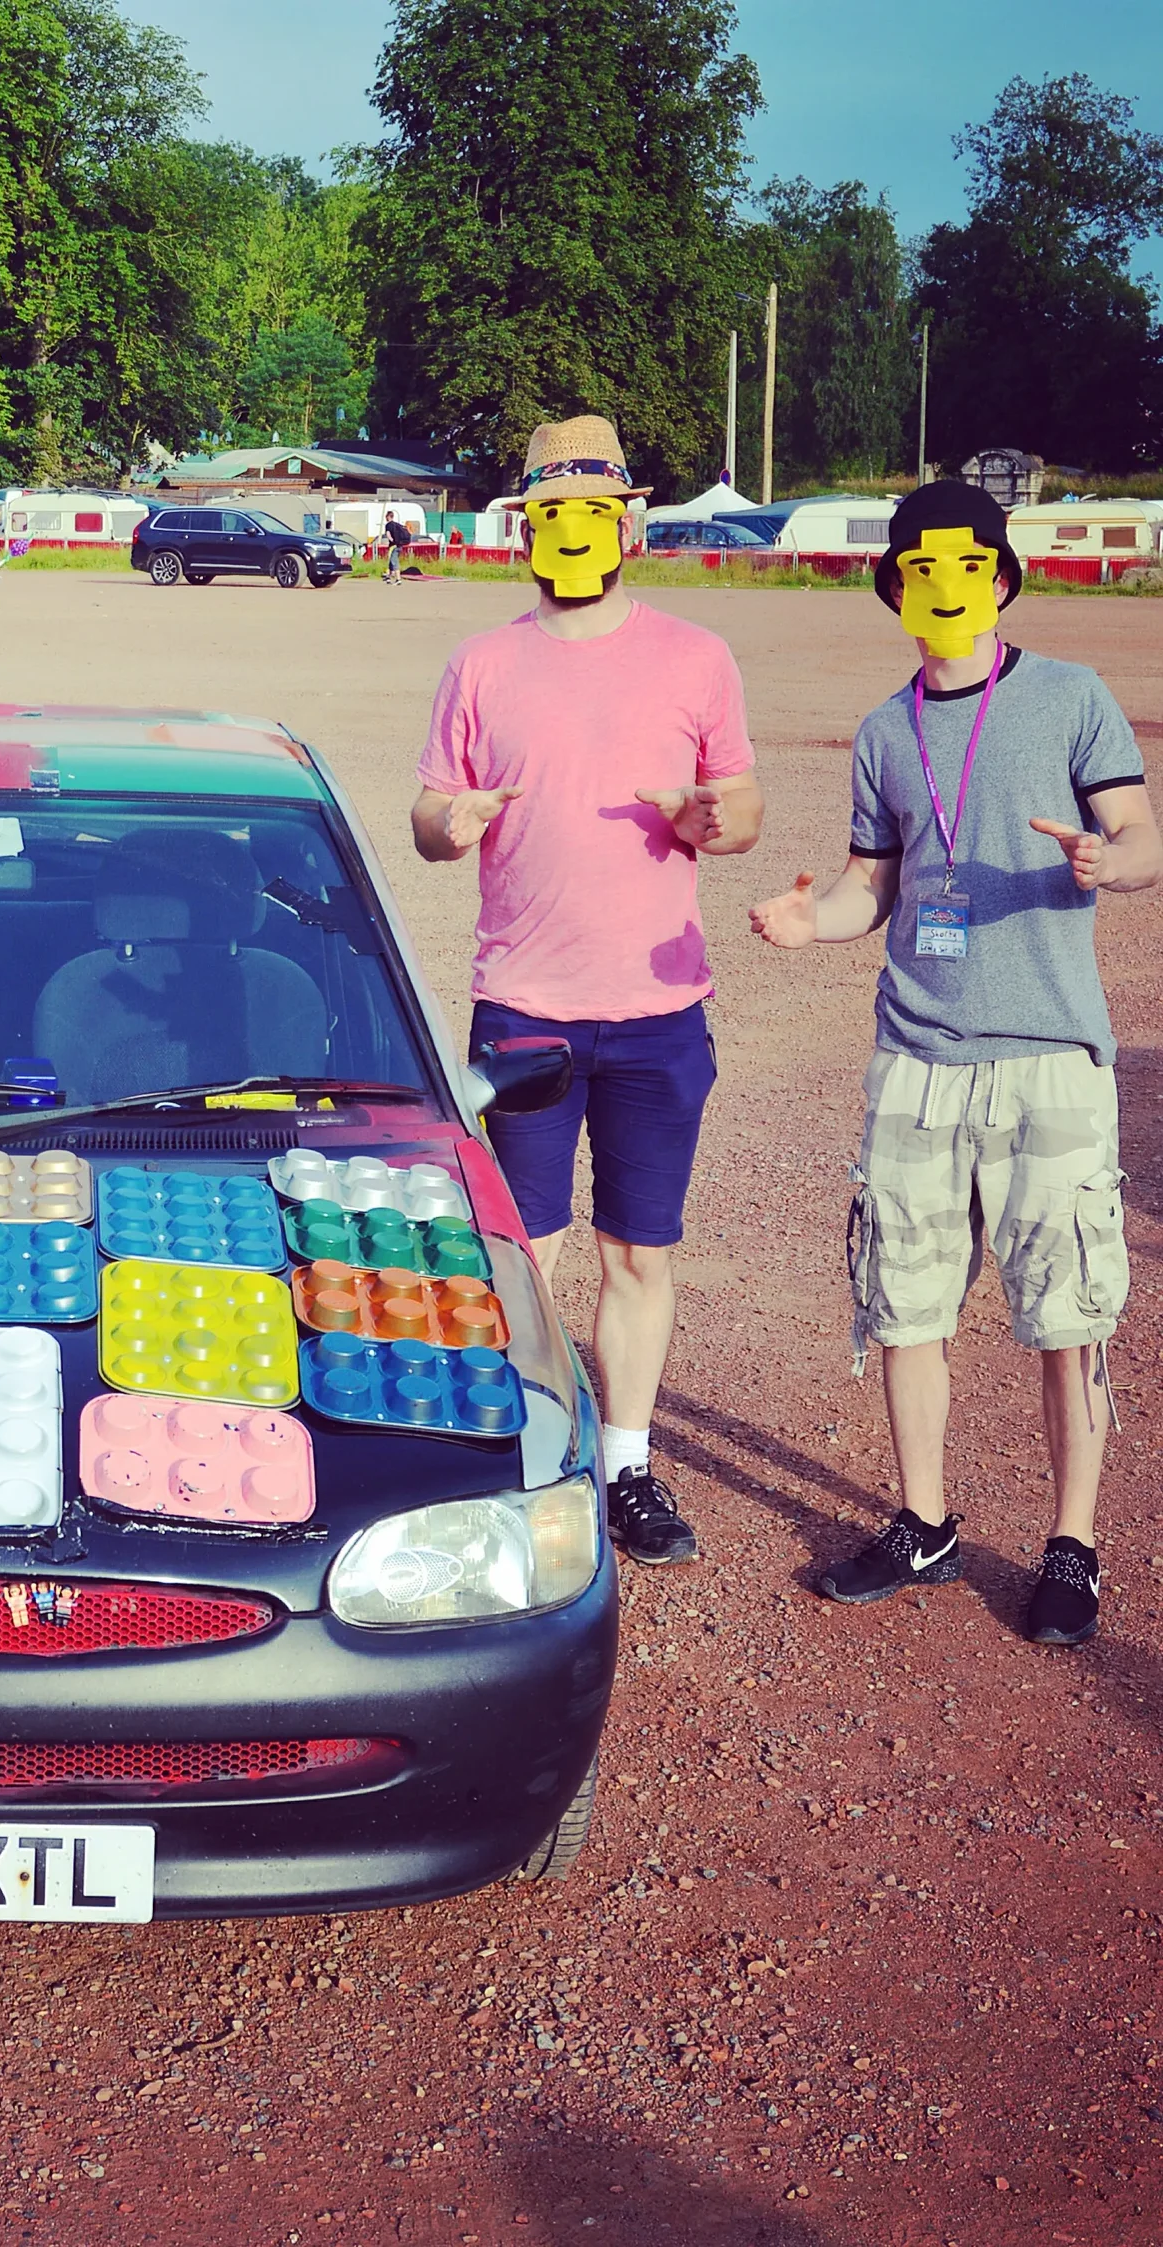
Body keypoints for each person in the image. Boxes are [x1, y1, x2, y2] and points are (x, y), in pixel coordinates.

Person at [749, 479, 1156, 1645]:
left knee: (1068, 1313)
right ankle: (922, 1522)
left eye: (964, 567)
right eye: (917, 570)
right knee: (906, 1305)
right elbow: (868, 889)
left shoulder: (1071, 699)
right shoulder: (885, 733)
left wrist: (1106, 861)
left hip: (1048, 1056)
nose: (941, 588)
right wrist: (807, 921)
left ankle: (1071, 1547)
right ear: (893, 587)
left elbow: (1141, 834)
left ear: (1000, 575)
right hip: (916, 1057)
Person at [411, 413, 765, 1566]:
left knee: (637, 1253)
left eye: (593, 514)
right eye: (551, 515)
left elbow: (742, 809)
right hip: (521, 1008)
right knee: (518, 1251)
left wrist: (715, 820)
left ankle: (625, 1466)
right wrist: (444, 824)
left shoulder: (695, 656)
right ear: (528, 526)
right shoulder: (481, 661)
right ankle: (519, 1454)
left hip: (660, 1015)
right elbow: (429, 814)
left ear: (628, 524)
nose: (573, 532)